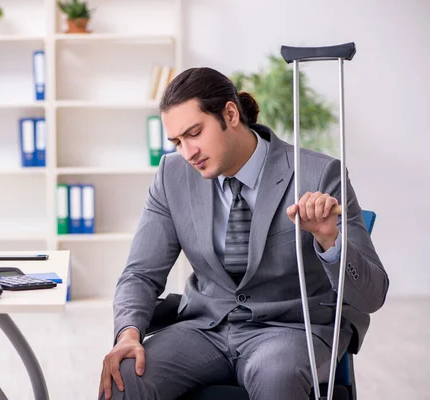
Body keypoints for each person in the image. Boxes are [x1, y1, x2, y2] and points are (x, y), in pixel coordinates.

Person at [98, 67, 389, 400]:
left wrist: (329, 240)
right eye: (177, 141)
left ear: (230, 113)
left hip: (288, 329)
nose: (187, 152)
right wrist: (128, 335)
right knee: (124, 374)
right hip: (205, 327)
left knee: (277, 376)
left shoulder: (318, 174)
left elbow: (371, 296)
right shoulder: (172, 175)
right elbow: (139, 273)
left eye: (194, 133)